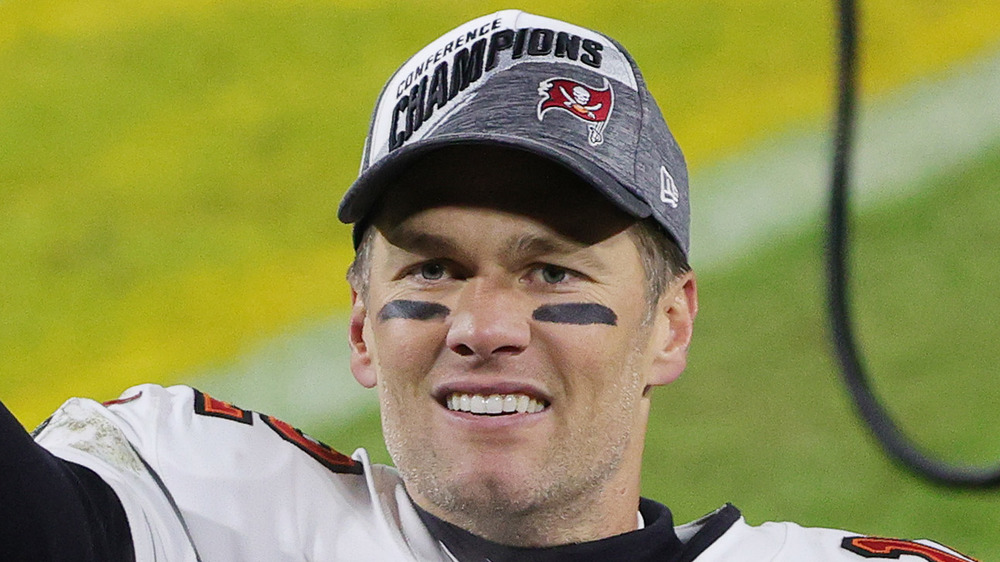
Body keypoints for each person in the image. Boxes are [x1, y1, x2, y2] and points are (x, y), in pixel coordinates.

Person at [0, 9, 978, 562]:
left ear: (668, 325)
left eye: (550, 268)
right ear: (358, 323)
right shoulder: (215, 517)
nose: (483, 324)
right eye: (431, 267)